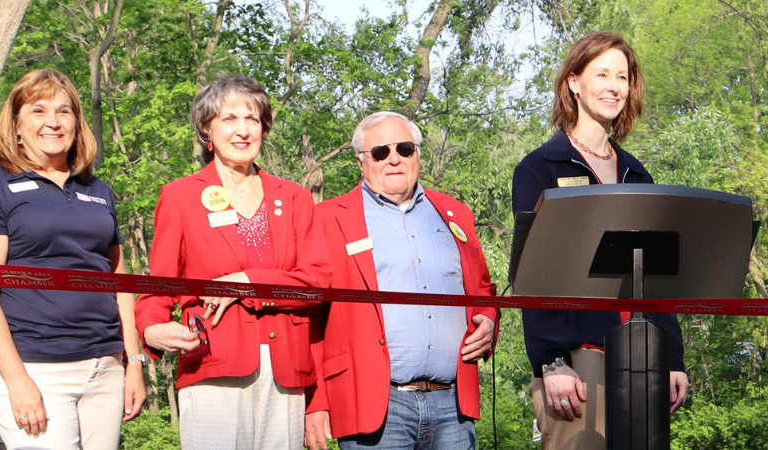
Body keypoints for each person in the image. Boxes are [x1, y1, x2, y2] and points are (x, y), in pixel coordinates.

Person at [510, 31, 688, 450]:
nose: (614, 86)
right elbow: (531, 273)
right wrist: (552, 362)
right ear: (574, 82)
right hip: (578, 360)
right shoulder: (539, 169)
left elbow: (661, 277)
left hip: (644, 359)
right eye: (602, 73)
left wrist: (673, 359)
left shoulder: (638, 175)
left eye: (622, 77)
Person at [135, 75, 332, 449]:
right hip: (211, 366)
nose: (242, 130)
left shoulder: (294, 198)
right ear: (206, 128)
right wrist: (151, 331)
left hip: (286, 374)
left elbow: (318, 282)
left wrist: (246, 280)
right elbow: (156, 291)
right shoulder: (179, 197)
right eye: (229, 119)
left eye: (253, 119)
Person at [0, 69, 147, 450]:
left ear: (77, 122)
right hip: (35, 368)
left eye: (64, 111)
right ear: (15, 125)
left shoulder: (98, 190)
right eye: (38, 111)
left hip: (104, 367)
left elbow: (120, 282)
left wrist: (134, 363)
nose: (53, 122)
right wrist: (17, 379)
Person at [304, 112, 500, 450]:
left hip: (453, 405)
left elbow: (482, 289)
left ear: (417, 155)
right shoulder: (326, 219)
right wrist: (315, 401)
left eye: (405, 149)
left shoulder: (455, 213)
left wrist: (488, 319)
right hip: (373, 406)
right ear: (361, 161)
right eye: (380, 152)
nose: (394, 159)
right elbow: (309, 319)